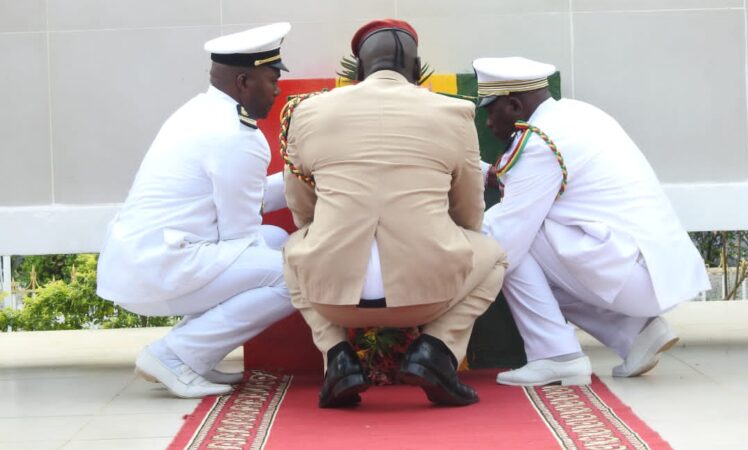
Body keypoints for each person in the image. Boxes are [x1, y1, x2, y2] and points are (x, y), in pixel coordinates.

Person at [282, 19, 507, 408]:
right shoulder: (453, 112)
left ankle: (337, 357)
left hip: (332, 299)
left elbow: (301, 205)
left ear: (359, 71)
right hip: (429, 295)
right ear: (418, 72)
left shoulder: (308, 112)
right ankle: (435, 351)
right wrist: (452, 244)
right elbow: (470, 209)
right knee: (494, 256)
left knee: (293, 248)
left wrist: (324, 239)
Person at [472, 56, 711, 386]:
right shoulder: (576, 114)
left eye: (488, 110)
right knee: (539, 249)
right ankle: (636, 333)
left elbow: (505, 239)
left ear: (513, 105)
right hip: (653, 268)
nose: (487, 124)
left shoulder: (539, 141)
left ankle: (555, 355)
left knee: (506, 244)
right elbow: (517, 179)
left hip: (631, 273)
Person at [96, 23, 296, 398]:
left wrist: (303, 179)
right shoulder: (237, 135)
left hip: (143, 260)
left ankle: (195, 356)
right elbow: (241, 235)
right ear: (243, 81)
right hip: (162, 268)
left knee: (277, 239)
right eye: (272, 78)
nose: (277, 88)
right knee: (297, 275)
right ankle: (174, 356)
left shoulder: (200, 110)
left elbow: (244, 201)